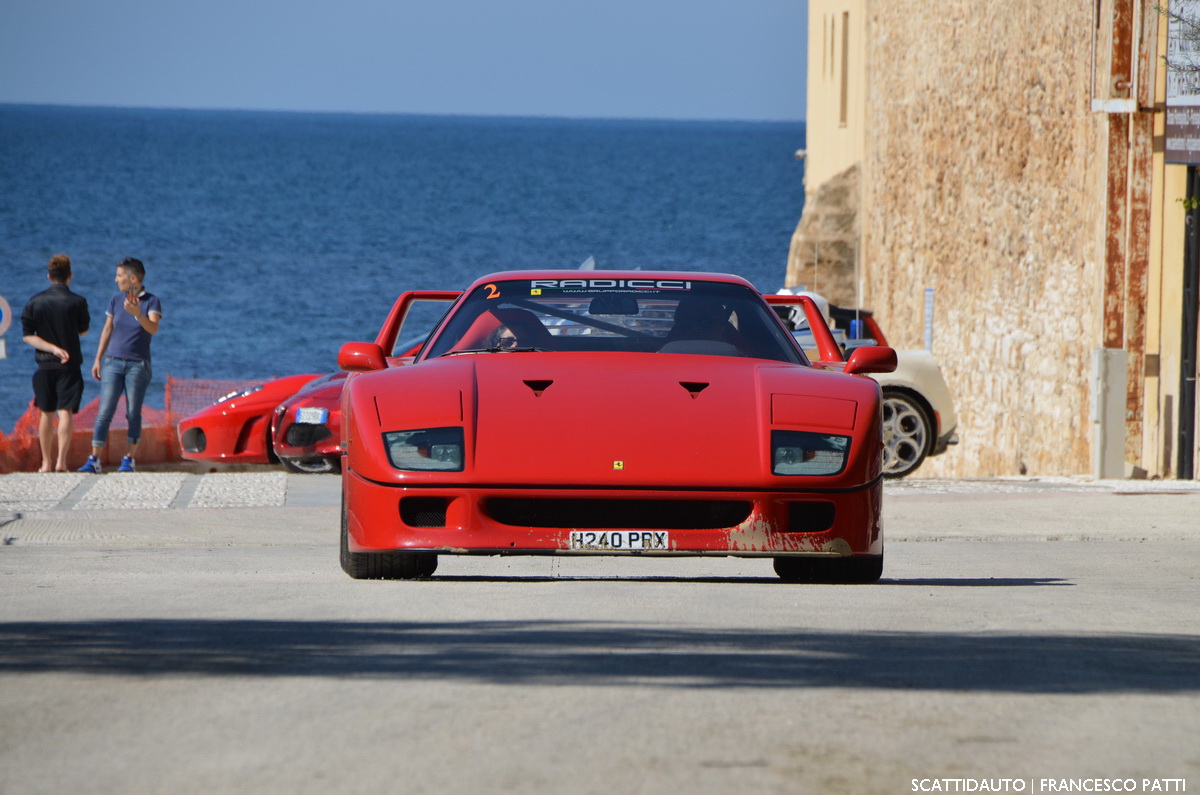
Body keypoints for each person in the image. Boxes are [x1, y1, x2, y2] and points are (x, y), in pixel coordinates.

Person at [79, 258, 163, 474]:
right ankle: (94, 459)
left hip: (138, 365)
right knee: (104, 411)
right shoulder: (116, 300)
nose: (116, 280)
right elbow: (107, 330)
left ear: (132, 278)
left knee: (133, 412)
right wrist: (98, 359)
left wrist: (137, 314)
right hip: (112, 362)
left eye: (119, 275)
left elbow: (153, 328)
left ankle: (129, 459)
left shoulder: (152, 301)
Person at [20, 255, 91, 472]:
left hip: (44, 366)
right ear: (70, 276)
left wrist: (50, 348)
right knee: (65, 412)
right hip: (69, 366)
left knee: (46, 413)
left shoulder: (35, 301)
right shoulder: (78, 302)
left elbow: (27, 336)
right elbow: (84, 331)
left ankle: (46, 463)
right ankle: (61, 462)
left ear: (49, 276)